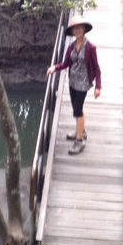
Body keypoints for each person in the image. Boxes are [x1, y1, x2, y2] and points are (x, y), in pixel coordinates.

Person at [46, 18, 101, 154]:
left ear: (84, 30)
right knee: (77, 109)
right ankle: (80, 131)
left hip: (83, 83)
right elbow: (65, 63)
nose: (77, 31)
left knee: (77, 110)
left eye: (80, 28)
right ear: (73, 31)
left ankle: (79, 141)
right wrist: (55, 67)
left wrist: (98, 86)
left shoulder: (90, 47)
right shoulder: (71, 46)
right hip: (72, 82)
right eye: (75, 29)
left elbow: (97, 68)